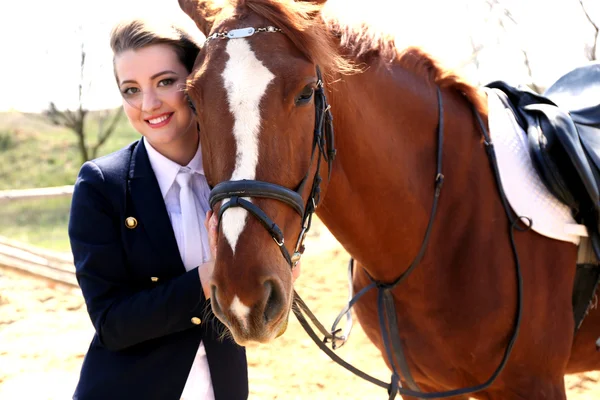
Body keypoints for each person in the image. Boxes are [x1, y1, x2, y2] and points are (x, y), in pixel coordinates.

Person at [68, 18, 271, 400]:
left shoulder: (234, 180)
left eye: (164, 82)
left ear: (195, 81)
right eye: (131, 89)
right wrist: (210, 277)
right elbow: (112, 323)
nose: (148, 104)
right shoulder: (101, 186)